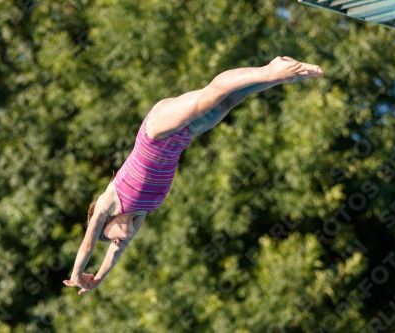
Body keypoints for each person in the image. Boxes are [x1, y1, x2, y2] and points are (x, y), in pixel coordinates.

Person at [63, 56, 323, 294]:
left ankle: (270, 70)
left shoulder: (110, 201)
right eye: (113, 242)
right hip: (181, 138)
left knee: (208, 98)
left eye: (108, 236)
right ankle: (280, 75)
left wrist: (77, 275)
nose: (115, 241)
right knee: (230, 101)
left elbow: (88, 246)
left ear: (105, 219)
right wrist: (97, 279)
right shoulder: (141, 213)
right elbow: (114, 256)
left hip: (156, 132)